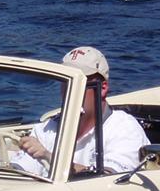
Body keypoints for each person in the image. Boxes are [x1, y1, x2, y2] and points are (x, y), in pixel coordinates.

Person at [12, 47, 149, 177]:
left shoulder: (124, 129)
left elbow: (107, 181)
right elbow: (19, 172)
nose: (69, 89)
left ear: (103, 88)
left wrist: (49, 157)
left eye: (79, 83)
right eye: (65, 81)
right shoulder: (46, 130)